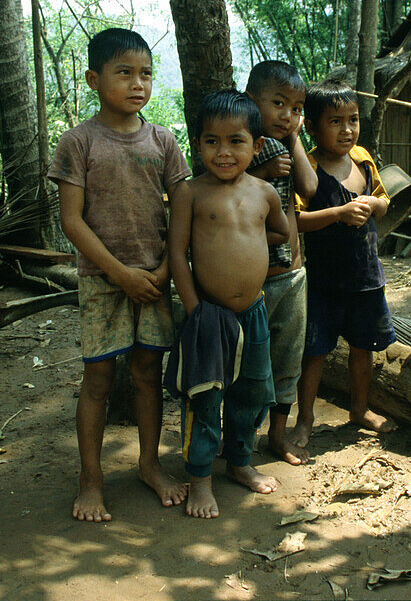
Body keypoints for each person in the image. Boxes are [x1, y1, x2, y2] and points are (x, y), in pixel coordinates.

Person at [48, 27, 190, 522]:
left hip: (155, 279)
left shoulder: (164, 141)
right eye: (124, 72)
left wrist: (164, 270)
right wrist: (120, 273)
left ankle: (149, 466)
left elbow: (183, 215)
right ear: (93, 79)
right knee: (98, 380)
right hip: (101, 281)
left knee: (149, 375)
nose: (138, 83)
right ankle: (91, 480)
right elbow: (72, 220)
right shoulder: (78, 142)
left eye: (146, 73)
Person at [167, 90, 290, 518]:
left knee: (253, 393)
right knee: (205, 397)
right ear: (197, 144)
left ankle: (239, 462)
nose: (223, 152)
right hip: (208, 316)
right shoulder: (190, 194)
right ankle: (199, 477)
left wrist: (253, 239)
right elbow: (176, 254)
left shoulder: (265, 193)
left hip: (253, 311)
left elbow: (281, 232)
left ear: (256, 147)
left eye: (236, 141)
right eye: (211, 141)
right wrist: (194, 308)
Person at [291, 79, 397, 448]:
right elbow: (295, 221)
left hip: (366, 277)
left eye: (353, 119)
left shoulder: (363, 159)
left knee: (362, 347)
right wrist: (337, 213)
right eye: (335, 121)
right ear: (312, 127)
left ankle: (360, 409)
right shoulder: (306, 165)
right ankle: (304, 419)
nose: (347, 129)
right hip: (322, 281)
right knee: (315, 352)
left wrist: (374, 206)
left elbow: (384, 199)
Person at [243, 61, 318, 465]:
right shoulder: (237, 141)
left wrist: (295, 140)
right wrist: (261, 169)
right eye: (278, 104)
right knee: (245, 363)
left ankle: (277, 434)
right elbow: (217, 182)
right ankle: (237, 439)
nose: (287, 115)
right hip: (248, 278)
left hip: (292, 274)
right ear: (252, 100)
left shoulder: (289, 142)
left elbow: (309, 187)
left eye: (297, 107)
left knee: (287, 361)